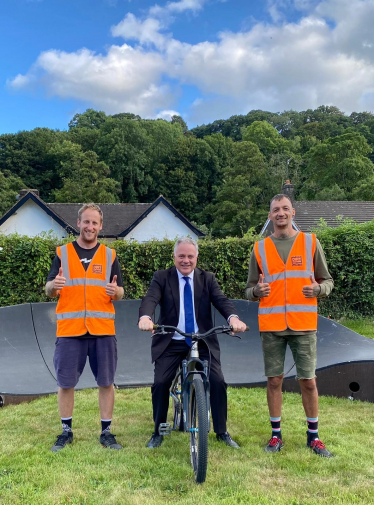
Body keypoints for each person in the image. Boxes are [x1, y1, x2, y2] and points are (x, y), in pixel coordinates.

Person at [245, 194, 334, 457]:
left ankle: (314, 437)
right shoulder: (259, 248)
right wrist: (256, 292)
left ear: (293, 212)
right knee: (274, 381)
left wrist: (318, 289)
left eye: (285, 208)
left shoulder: (310, 242)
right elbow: (249, 289)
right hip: (272, 325)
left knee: (308, 381)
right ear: (270, 215)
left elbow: (327, 281)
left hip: (303, 324)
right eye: (275, 210)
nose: (281, 213)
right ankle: (276, 436)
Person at [138, 236, 247, 449]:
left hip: (202, 339)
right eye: (181, 256)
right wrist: (146, 318)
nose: (185, 260)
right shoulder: (162, 277)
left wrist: (233, 318)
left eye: (190, 256)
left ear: (196, 257)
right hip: (172, 339)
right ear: (174, 257)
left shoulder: (207, 279)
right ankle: (158, 430)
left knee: (217, 381)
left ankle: (222, 431)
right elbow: (150, 299)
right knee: (161, 383)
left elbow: (221, 301)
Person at [45, 203, 124, 452]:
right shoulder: (63, 253)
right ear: (77, 223)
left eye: (95, 223)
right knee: (66, 382)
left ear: (101, 226)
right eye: (86, 222)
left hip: (102, 330)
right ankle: (66, 431)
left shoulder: (110, 255)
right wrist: (54, 285)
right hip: (70, 330)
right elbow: (48, 290)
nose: (90, 226)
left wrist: (116, 292)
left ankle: (106, 432)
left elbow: (120, 291)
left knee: (106, 382)